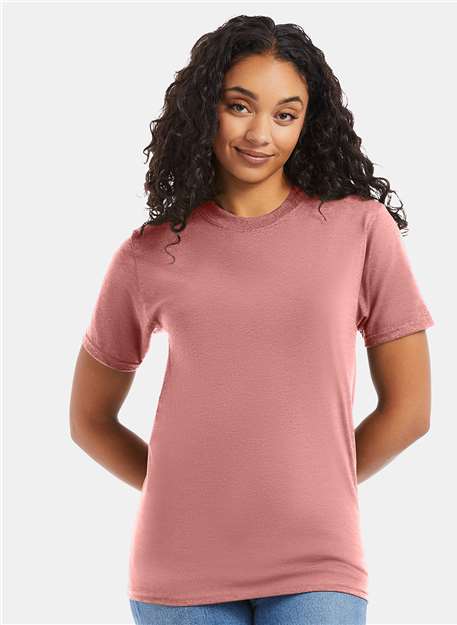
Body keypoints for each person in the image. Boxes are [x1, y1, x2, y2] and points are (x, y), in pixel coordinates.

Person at [70, 15, 434, 625]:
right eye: (239, 106)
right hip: (178, 569)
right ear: (204, 109)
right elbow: (88, 419)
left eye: (285, 114)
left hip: (318, 560)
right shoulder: (148, 252)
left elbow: (411, 412)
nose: (261, 133)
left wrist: (316, 488)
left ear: (307, 123)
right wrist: (181, 495)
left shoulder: (360, 229)